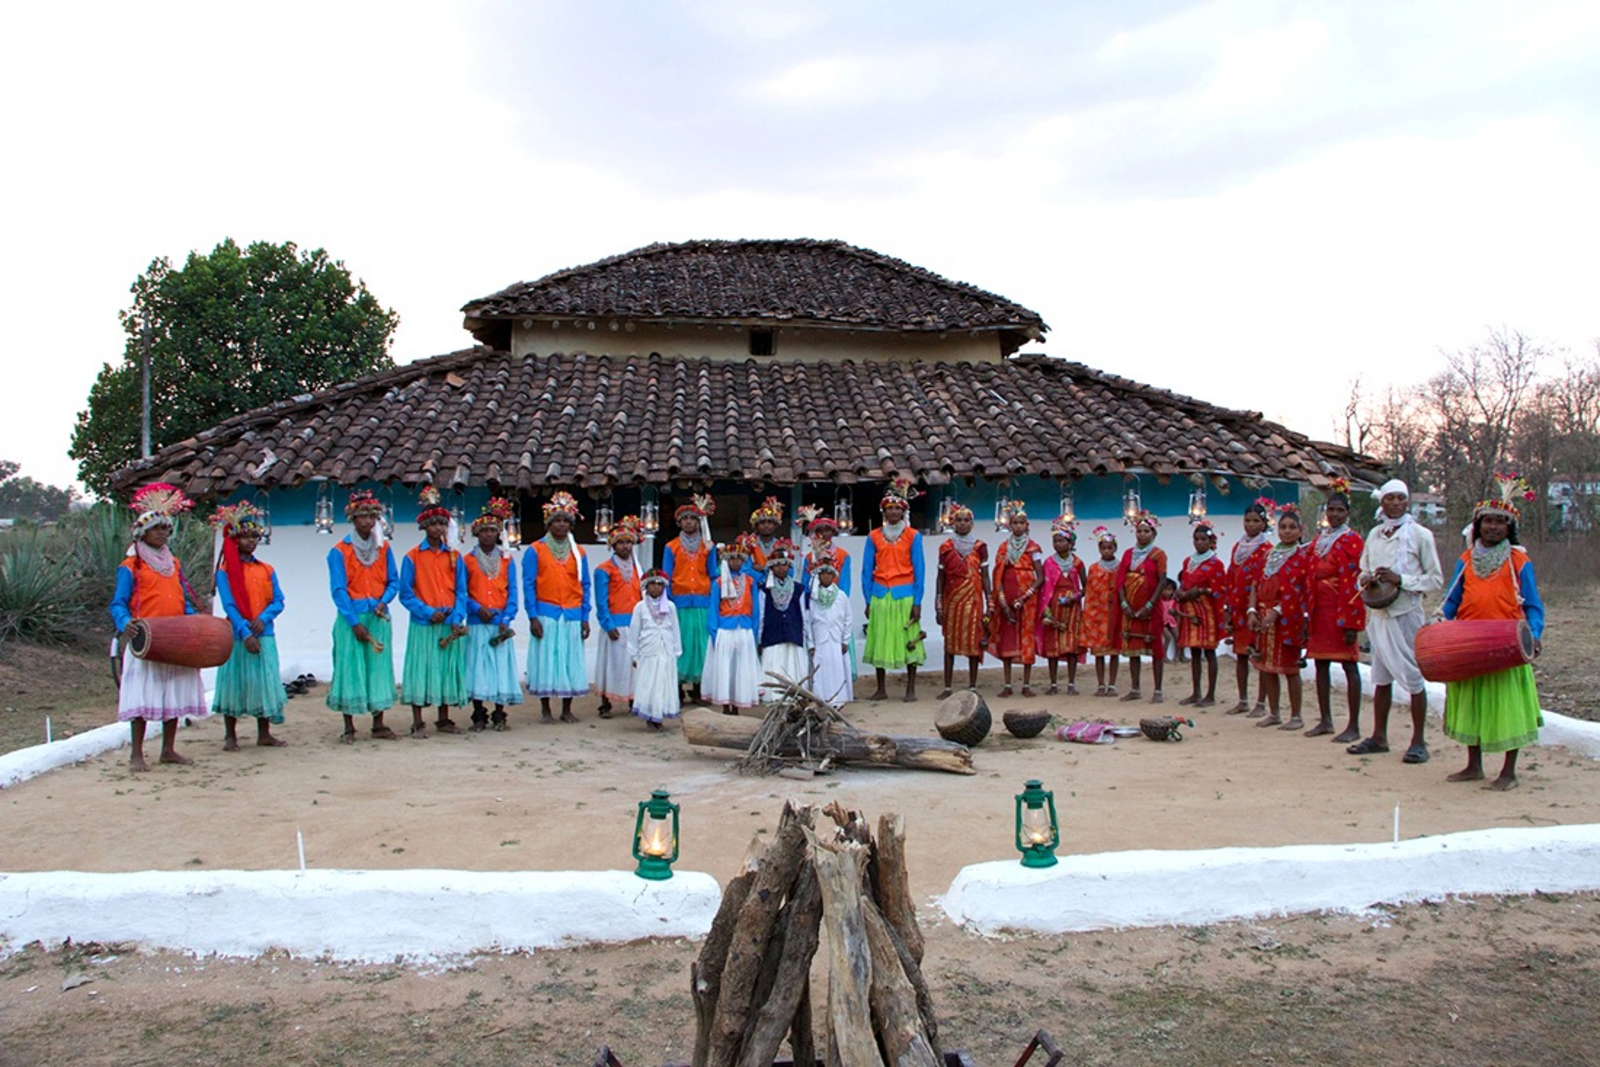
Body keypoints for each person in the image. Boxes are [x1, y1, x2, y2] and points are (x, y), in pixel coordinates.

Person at [1440, 475, 1545, 791]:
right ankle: (1473, 766)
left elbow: (1534, 605)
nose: (1494, 527)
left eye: (1501, 522)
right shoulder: (1466, 559)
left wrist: (1534, 634)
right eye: (1488, 521)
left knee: (1506, 706)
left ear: (1509, 528)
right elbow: (1452, 599)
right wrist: (1441, 623)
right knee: (1471, 703)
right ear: (1478, 525)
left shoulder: (1518, 561)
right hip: (1470, 642)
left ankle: (1508, 773)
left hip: (1507, 644)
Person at [111, 483, 207, 771]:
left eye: (166, 528)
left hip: (174, 637)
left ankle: (168, 750)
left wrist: (191, 620)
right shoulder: (131, 566)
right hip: (146, 638)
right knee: (142, 695)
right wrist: (126, 624)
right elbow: (118, 603)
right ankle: (137, 754)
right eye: (156, 529)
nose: (163, 533)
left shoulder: (173, 563)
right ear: (142, 534)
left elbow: (181, 598)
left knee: (173, 692)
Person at [1348, 479, 1443, 764]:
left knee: (1413, 676)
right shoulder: (1375, 535)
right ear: (1382, 502)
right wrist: (1365, 580)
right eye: (1390, 498)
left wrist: (1401, 580)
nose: (1396, 503)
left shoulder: (1420, 535)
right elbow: (1362, 569)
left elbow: (1435, 578)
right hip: (1378, 615)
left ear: (1407, 501)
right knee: (1380, 677)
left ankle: (1418, 741)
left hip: (1406, 614)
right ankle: (1379, 736)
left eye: (1401, 498)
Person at [210, 503, 287, 750]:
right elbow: (229, 606)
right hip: (236, 636)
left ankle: (264, 732)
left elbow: (279, 600)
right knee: (234, 683)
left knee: (264, 682)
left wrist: (263, 618)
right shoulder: (224, 572)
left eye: (255, 537)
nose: (251, 541)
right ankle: (230, 735)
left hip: (264, 633)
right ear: (235, 540)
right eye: (246, 537)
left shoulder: (266, 569)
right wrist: (244, 632)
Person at [326, 490, 400, 741]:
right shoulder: (338, 552)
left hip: (378, 617)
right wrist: (354, 622)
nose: (368, 522)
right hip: (351, 619)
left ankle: (378, 724)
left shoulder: (384, 548)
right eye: (362, 517)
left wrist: (384, 601)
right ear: (353, 519)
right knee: (350, 668)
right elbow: (338, 591)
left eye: (372, 517)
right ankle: (349, 726)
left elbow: (393, 581)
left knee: (378, 668)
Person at [399, 486, 468, 737]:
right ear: (424, 527)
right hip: (423, 623)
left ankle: (444, 719)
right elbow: (405, 593)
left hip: (448, 622)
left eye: (442, 524)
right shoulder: (412, 557)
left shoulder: (455, 556)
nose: (438, 529)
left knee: (445, 670)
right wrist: (427, 611)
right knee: (421, 670)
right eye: (433, 524)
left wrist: (456, 615)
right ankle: (417, 722)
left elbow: (461, 590)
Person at [523, 492, 593, 723]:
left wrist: (585, 617)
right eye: (556, 520)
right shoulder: (535, 550)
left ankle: (566, 709)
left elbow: (585, 585)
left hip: (572, 613)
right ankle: (545, 709)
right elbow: (529, 584)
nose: (561, 525)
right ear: (548, 523)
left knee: (569, 660)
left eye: (565, 521)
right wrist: (533, 616)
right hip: (546, 612)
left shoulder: (579, 552)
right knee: (547, 660)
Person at [1306, 485, 1366, 741]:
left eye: (1340, 510)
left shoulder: (1353, 540)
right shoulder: (1320, 540)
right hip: (1319, 609)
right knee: (1320, 664)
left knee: (1349, 666)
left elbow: (1353, 581)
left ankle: (1353, 725)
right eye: (1331, 509)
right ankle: (1325, 720)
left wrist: (1351, 621)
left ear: (1348, 513)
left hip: (1341, 610)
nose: (1334, 514)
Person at [1249, 505, 1313, 730]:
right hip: (1263, 617)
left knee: (1290, 668)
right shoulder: (1268, 554)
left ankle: (1296, 716)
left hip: (1288, 618)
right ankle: (1274, 712)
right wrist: (1252, 611)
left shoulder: (1303, 557)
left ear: (1300, 530)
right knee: (1266, 667)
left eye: (1292, 527)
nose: (1287, 531)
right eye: (1283, 527)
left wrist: (1277, 611)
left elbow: (1301, 591)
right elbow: (1256, 583)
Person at [862, 479, 926, 702]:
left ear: (904, 510)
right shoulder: (873, 537)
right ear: (884, 511)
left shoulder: (913, 536)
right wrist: (868, 599)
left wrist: (917, 601)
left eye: (898, 508)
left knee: (909, 640)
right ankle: (881, 688)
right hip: (880, 594)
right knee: (880, 639)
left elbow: (920, 570)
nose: (894, 512)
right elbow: (866, 570)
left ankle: (911, 689)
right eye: (890, 508)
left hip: (905, 595)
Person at [463, 498, 522, 732]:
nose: (488, 534)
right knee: (478, 669)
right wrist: (477, 608)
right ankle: (479, 714)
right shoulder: (466, 560)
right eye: (484, 530)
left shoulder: (507, 560)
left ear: (499, 533)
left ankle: (499, 714)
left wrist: (506, 619)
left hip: (500, 624)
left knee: (500, 669)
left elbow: (513, 593)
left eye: (492, 531)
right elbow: (461, 592)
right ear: (476, 532)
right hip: (478, 622)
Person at [664, 495, 718, 706]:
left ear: (699, 521)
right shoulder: (671, 547)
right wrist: (667, 604)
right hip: (679, 603)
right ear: (679, 523)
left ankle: (698, 690)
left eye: (692, 518)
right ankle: (677, 689)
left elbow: (713, 575)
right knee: (681, 645)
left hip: (703, 602)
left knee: (701, 647)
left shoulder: (708, 546)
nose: (688, 522)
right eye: (684, 519)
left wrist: (714, 600)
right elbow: (666, 578)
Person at [934, 504, 991, 698]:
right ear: (953, 522)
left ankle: (973, 686)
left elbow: (985, 576)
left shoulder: (980, 547)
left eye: (966, 520)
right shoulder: (946, 547)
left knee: (974, 642)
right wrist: (938, 604)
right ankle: (948, 687)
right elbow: (940, 577)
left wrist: (990, 601)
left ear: (972, 524)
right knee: (949, 643)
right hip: (952, 600)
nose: (963, 523)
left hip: (974, 600)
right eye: (959, 520)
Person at [989, 502, 1043, 698]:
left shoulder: (1033, 547)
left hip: (1028, 600)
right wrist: (1002, 601)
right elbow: (998, 576)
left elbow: (1040, 577)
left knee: (1027, 638)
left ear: (1027, 526)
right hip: (1007, 598)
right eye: (1015, 523)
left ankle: (1027, 684)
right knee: (1007, 638)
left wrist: (1026, 596)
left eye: (1022, 523)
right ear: (1010, 526)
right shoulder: (1003, 548)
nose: (1019, 526)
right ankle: (1007, 684)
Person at [1225, 500, 1273, 716]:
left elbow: (1264, 580)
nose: (1251, 525)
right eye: (1247, 520)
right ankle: (1243, 699)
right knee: (1241, 655)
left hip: (1255, 609)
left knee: (1258, 656)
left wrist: (1255, 608)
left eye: (1256, 521)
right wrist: (1229, 606)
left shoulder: (1267, 549)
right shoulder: (1238, 547)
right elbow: (1231, 575)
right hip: (1238, 608)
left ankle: (1261, 703)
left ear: (1264, 523)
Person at [593, 516, 644, 719]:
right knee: (611, 665)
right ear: (613, 545)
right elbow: (601, 601)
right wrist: (607, 624)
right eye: (621, 542)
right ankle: (605, 703)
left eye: (628, 542)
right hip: (614, 623)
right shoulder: (604, 569)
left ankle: (634, 700)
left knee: (633, 665)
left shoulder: (638, 568)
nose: (625, 546)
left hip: (634, 623)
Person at [704, 535, 760, 714]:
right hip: (724, 630)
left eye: (738, 558)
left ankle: (737, 703)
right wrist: (714, 633)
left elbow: (756, 609)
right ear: (726, 561)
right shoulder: (719, 582)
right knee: (725, 669)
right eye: (731, 558)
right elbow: (713, 608)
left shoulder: (750, 582)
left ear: (743, 561)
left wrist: (754, 631)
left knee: (740, 668)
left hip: (744, 629)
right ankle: (725, 705)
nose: (735, 562)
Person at [1116, 511, 1168, 702]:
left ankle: (1158, 691)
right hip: (1129, 606)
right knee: (1132, 647)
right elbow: (1120, 580)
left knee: (1155, 648)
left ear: (1153, 534)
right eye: (1139, 531)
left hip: (1150, 607)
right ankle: (1135, 688)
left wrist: (1149, 605)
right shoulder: (1128, 554)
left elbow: (1162, 581)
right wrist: (1124, 603)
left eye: (1146, 531)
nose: (1142, 534)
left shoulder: (1159, 554)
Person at [1175, 521, 1226, 707]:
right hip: (1190, 611)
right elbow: (1184, 582)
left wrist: (1201, 592)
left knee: (1209, 652)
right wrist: (1180, 592)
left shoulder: (1216, 564)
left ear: (1210, 541)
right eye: (1196, 539)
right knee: (1194, 652)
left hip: (1207, 612)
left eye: (1203, 539)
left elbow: (1219, 590)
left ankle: (1210, 695)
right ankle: (1196, 692)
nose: (1199, 543)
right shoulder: (1188, 561)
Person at [1037, 518, 1086, 696]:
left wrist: (1075, 597)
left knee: (1071, 647)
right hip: (1054, 605)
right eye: (1055, 541)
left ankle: (1071, 684)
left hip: (1072, 609)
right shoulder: (1049, 563)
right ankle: (1053, 683)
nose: (1057, 544)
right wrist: (1046, 610)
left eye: (1061, 540)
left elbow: (1085, 587)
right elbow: (1044, 588)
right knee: (1053, 647)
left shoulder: (1078, 563)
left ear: (1071, 542)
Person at [629, 569, 682, 730]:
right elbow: (634, 630)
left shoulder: (670, 606)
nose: (656, 588)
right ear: (646, 586)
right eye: (653, 584)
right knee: (649, 682)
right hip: (648, 650)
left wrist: (676, 650)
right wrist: (634, 654)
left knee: (664, 682)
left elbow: (675, 629)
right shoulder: (640, 607)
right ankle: (649, 716)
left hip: (665, 648)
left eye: (660, 584)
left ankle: (659, 717)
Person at [757, 540, 807, 701]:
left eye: (784, 564)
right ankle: (773, 698)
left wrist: (805, 637)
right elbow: (762, 615)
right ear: (771, 567)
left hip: (793, 633)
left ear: (789, 566)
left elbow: (804, 615)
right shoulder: (764, 589)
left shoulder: (799, 589)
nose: (781, 568)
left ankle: (794, 697)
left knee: (792, 666)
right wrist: (759, 639)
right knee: (774, 664)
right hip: (772, 634)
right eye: (777, 565)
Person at [804, 559, 854, 708]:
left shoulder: (841, 596)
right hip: (820, 640)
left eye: (829, 574)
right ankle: (821, 700)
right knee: (820, 671)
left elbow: (848, 619)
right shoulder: (813, 597)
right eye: (822, 573)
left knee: (837, 670)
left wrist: (845, 641)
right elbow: (808, 621)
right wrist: (811, 643)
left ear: (834, 576)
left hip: (836, 640)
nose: (826, 577)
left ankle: (838, 701)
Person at [1081, 526, 1122, 696]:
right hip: (1098, 615)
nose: (1106, 550)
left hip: (1115, 614)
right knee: (1099, 653)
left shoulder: (1121, 567)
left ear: (1115, 548)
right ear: (1099, 549)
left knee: (1114, 652)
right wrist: (1089, 615)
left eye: (1110, 547)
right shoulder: (1093, 568)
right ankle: (1100, 684)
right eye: (1103, 547)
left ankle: (1112, 684)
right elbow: (1090, 593)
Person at [747, 496, 786, 578]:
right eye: (762, 522)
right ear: (756, 526)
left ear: (775, 525)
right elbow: (745, 569)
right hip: (755, 585)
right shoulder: (749, 544)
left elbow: (789, 570)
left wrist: (763, 568)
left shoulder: (782, 545)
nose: (766, 525)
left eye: (770, 522)